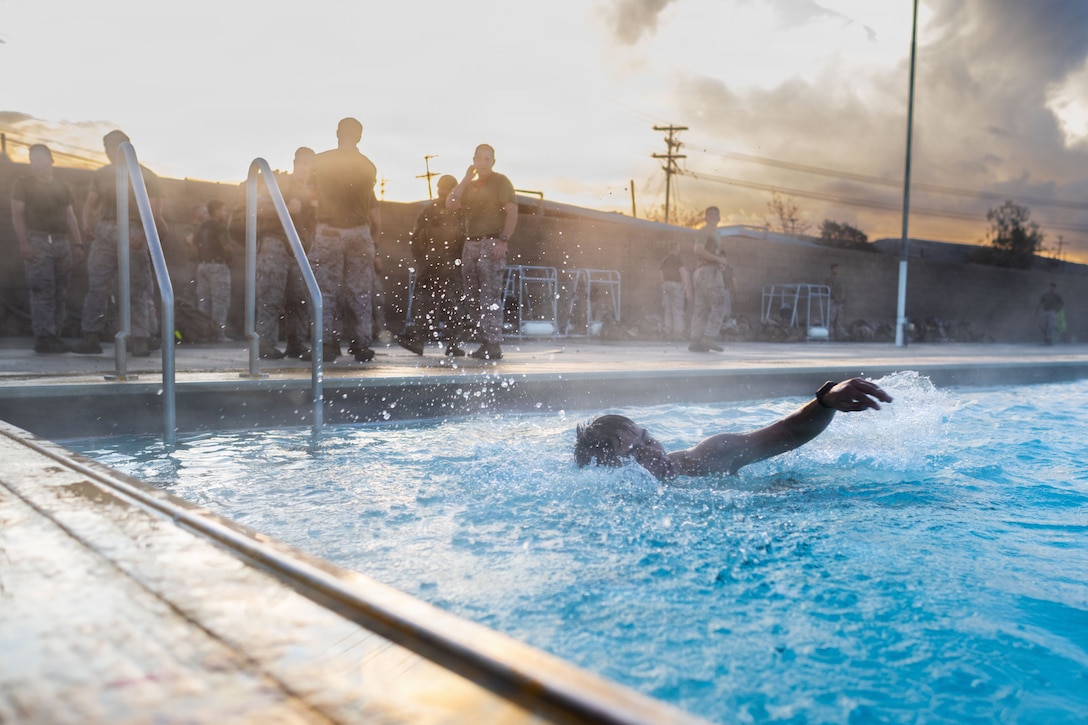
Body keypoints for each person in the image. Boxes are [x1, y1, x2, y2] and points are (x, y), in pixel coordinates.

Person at [575, 378, 892, 480]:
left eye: (648, 438)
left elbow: (787, 434)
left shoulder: (706, 457)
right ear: (613, 471)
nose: (654, 450)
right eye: (635, 453)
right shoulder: (618, 503)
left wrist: (825, 400)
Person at [73, 130, 166, 357]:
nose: (109, 153)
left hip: (134, 229)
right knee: (98, 284)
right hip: (105, 230)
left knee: (138, 286)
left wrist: (143, 237)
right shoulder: (102, 174)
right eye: (106, 149)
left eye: (114, 148)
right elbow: (90, 203)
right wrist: (87, 223)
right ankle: (90, 335)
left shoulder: (146, 175)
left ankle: (141, 338)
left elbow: (155, 212)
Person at [307, 117, 380, 363]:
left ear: (337, 132)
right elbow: (370, 205)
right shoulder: (368, 166)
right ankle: (361, 344)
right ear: (359, 137)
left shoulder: (321, 161)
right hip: (359, 231)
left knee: (326, 291)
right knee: (359, 291)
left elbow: (311, 192)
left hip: (329, 231)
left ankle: (327, 345)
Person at [445, 143, 517, 361]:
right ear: (474, 161)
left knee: (489, 295)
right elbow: (451, 203)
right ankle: (485, 341)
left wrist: (503, 240)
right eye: (479, 159)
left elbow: (512, 212)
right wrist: (466, 179)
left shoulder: (501, 182)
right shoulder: (470, 186)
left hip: (491, 242)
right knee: (473, 297)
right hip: (471, 244)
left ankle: (493, 343)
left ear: (493, 162)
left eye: (487, 159)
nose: (483, 163)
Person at [10, 144, 84, 353]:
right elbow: (17, 214)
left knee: (60, 292)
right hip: (38, 241)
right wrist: (24, 243)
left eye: (40, 159)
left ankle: (55, 336)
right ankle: (43, 337)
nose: (36, 164)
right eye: (32, 160)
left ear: (51, 160)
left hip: (61, 243)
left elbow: (70, 215)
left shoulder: (62, 186)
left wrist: (77, 244)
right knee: (42, 290)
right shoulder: (23, 184)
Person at [255, 146, 317, 359]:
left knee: (299, 299)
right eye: (302, 163)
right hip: (275, 244)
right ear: (295, 163)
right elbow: (259, 208)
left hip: (297, 249)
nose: (304, 168)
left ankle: (296, 343)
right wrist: (286, 210)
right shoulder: (281, 183)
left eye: (309, 164)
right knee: (270, 295)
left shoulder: (310, 190)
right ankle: (264, 344)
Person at [397, 174, 467, 357]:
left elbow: (416, 238)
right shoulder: (443, 210)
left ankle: (429, 340)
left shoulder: (446, 210)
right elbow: (417, 237)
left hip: (441, 263)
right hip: (439, 264)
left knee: (438, 304)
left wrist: (422, 260)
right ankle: (444, 343)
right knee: (439, 304)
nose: (441, 192)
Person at [689, 206, 728, 353]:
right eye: (709, 215)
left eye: (714, 215)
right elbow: (698, 249)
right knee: (719, 304)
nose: (712, 217)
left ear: (719, 218)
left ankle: (695, 340)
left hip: (702, 271)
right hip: (708, 272)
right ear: (706, 218)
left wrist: (720, 262)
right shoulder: (706, 231)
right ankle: (709, 337)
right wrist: (718, 259)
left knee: (701, 308)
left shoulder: (714, 233)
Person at [194, 199, 233, 341]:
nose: (225, 212)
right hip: (217, 265)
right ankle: (218, 334)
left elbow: (194, 245)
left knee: (204, 302)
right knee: (220, 302)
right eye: (223, 209)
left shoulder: (201, 226)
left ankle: (202, 334)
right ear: (216, 211)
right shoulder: (220, 226)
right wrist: (228, 259)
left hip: (202, 265)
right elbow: (227, 247)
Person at [659, 239, 690, 343]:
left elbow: (661, 275)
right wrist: (685, 285)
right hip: (676, 285)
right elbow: (682, 272)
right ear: (676, 248)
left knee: (667, 310)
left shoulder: (664, 260)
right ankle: (677, 333)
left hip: (666, 285)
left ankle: (668, 332)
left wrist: (663, 284)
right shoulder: (678, 259)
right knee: (677, 310)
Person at [827, 263, 847, 341]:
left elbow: (842, 289)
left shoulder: (840, 279)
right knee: (831, 318)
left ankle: (838, 336)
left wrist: (842, 298)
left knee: (839, 319)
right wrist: (835, 298)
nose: (837, 270)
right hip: (833, 301)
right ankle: (830, 335)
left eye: (838, 269)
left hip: (840, 302)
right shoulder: (829, 279)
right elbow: (829, 290)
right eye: (835, 269)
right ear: (832, 270)